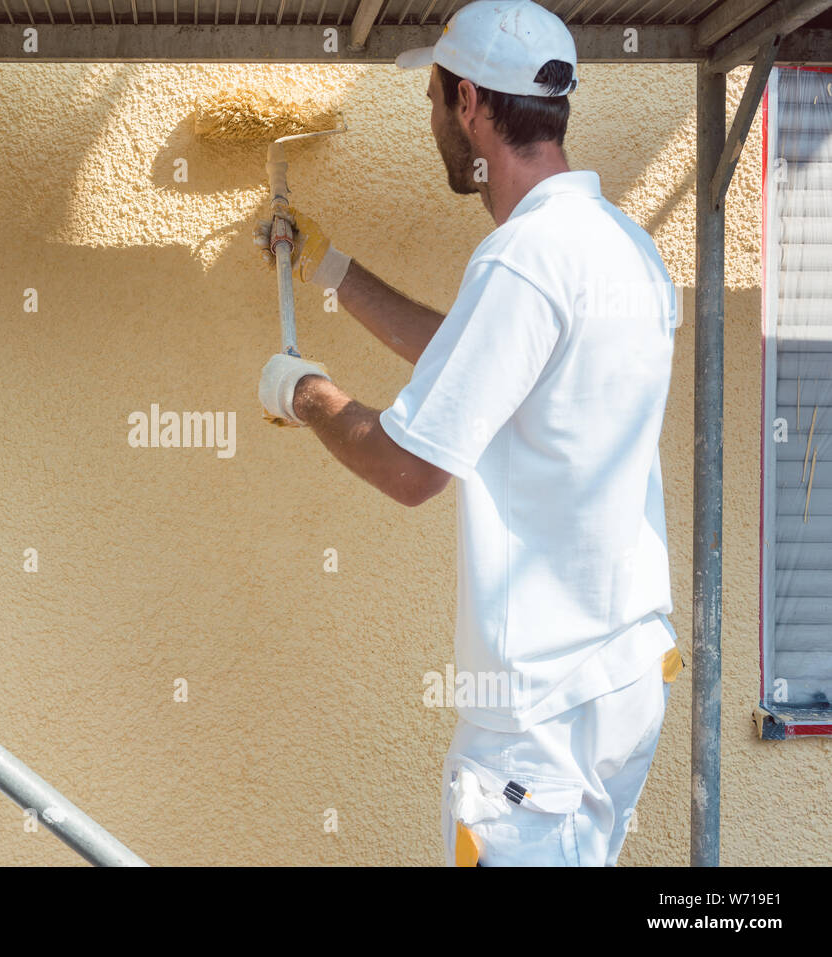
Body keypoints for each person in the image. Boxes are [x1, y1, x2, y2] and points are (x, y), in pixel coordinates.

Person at [254, 0, 682, 865]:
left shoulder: (524, 258)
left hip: (539, 711)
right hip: (621, 675)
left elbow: (411, 468)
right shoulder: (619, 245)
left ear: (472, 106)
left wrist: (302, 393)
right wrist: (329, 267)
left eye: (436, 97)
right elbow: (477, 367)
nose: (434, 119)